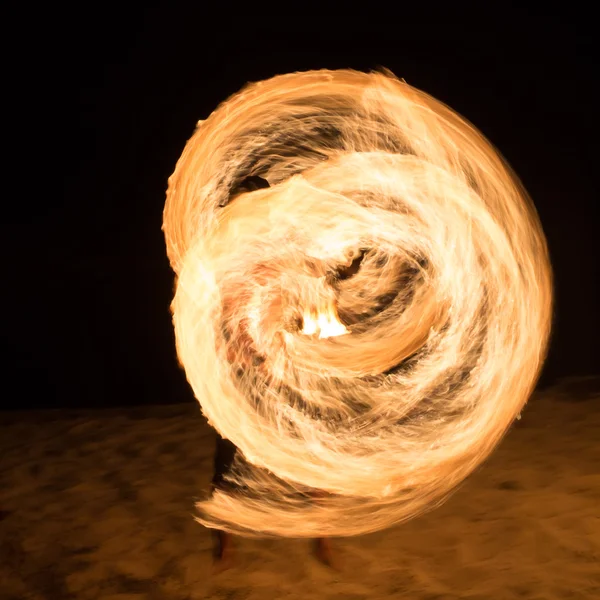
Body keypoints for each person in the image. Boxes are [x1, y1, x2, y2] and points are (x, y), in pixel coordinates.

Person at [210, 175, 337, 570]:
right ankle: (224, 544)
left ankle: (324, 540)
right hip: (238, 369)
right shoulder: (221, 256)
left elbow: (306, 297)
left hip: (278, 366)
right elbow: (210, 311)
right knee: (229, 460)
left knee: (305, 451)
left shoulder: (282, 252)